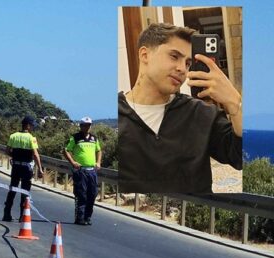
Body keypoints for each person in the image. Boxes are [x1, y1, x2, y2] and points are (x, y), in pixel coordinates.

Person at [118, 22, 242, 194]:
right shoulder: (114, 117)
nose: (182, 68)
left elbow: (242, 157)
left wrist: (235, 102)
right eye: (174, 56)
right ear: (145, 55)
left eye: (188, 63)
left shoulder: (201, 114)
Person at [3, 116, 44, 222]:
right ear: (28, 125)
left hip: (16, 166)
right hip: (26, 167)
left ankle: (7, 213)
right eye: (32, 126)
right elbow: (35, 154)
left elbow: (7, 151)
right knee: (25, 191)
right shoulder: (31, 138)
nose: (32, 128)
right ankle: (22, 215)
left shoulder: (13, 136)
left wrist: (15, 156)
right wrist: (40, 169)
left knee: (12, 189)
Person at [64, 117, 101, 225]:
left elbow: (99, 150)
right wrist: (73, 162)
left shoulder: (94, 138)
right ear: (81, 126)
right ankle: (80, 217)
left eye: (89, 125)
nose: (87, 127)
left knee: (92, 194)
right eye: (85, 125)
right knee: (81, 194)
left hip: (92, 171)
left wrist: (98, 162)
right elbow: (66, 150)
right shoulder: (75, 138)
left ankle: (88, 217)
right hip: (81, 171)